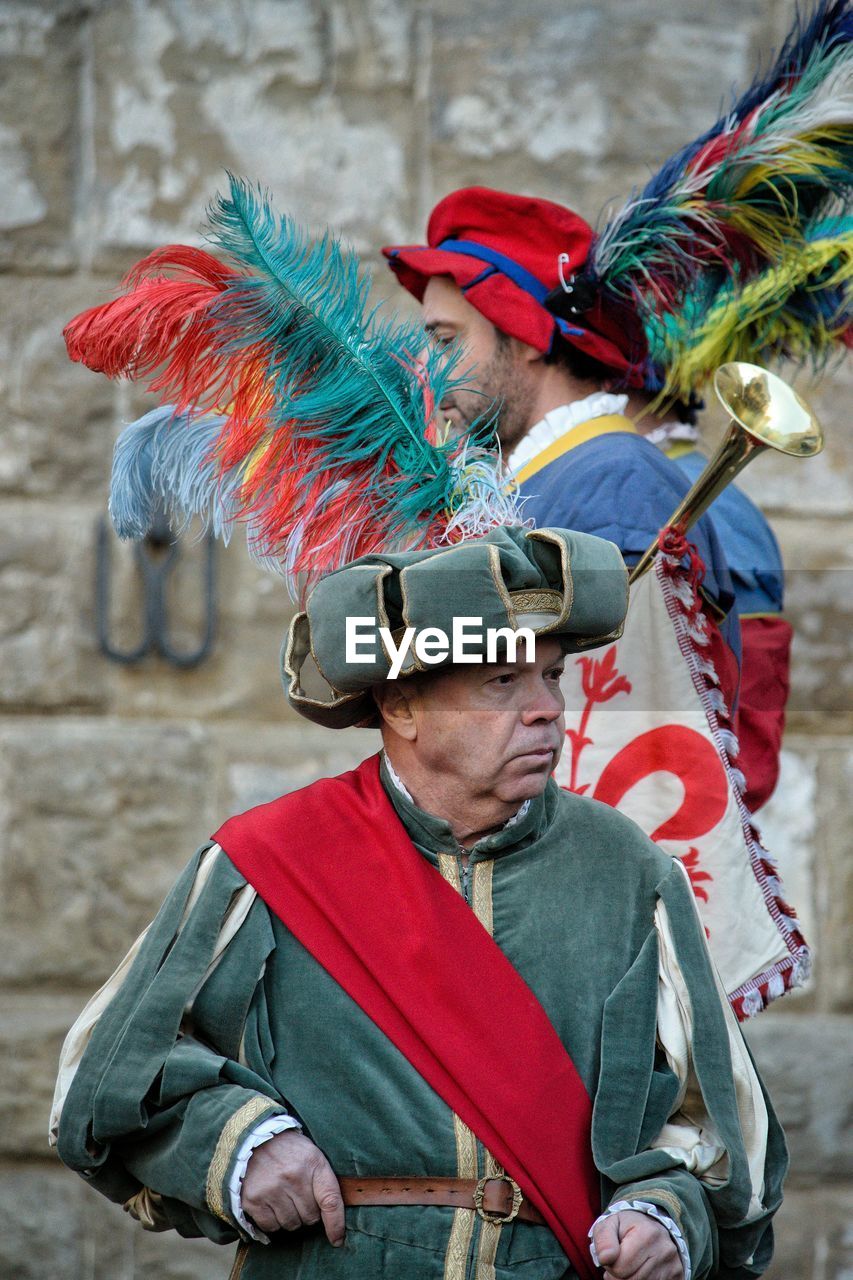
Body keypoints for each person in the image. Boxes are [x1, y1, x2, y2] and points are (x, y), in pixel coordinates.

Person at [52, 526, 786, 1280]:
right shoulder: (268, 861)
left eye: (552, 676)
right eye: (502, 682)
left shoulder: (630, 874)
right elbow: (106, 1084)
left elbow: (715, 1141)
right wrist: (240, 1143)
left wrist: (662, 1214)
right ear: (401, 704)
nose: (543, 710)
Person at [383, 186, 788, 809]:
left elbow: (628, 756)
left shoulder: (619, 489)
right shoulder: (565, 474)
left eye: (444, 341)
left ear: (524, 336)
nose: (426, 372)